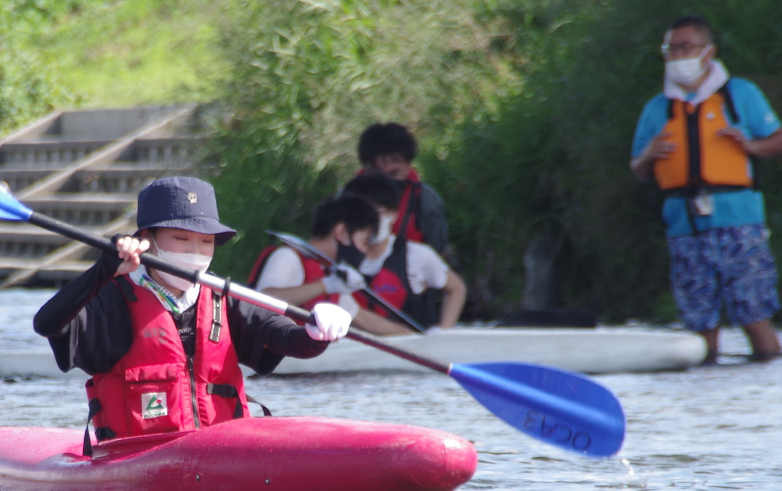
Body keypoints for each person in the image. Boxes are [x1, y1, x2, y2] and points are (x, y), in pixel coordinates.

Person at [33, 177, 351, 447]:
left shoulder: (225, 299)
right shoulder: (113, 300)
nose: (196, 253)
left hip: (222, 459)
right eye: (181, 239)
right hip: (138, 472)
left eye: (206, 242)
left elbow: (284, 337)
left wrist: (316, 333)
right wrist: (102, 271)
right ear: (146, 240)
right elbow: (47, 324)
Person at [630, 15, 782, 363]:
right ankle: (705, 401)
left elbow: (778, 142)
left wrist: (749, 145)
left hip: (739, 221)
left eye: (686, 47)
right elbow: (638, 169)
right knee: (699, 326)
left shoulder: (740, 94)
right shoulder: (658, 109)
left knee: (753, 313)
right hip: (685, 227)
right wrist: (648, 155)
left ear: (709, 51)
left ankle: (770, 388)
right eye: (671, 48)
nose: (677, 55)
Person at [249, 193, 412, 337]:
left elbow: (363, 320)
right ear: (341, 232)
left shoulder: (329, 274)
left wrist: (420, 338)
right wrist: (325, 286)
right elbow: (265, 301)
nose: (364, 251)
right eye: (364, 241)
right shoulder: (288, 256)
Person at [341, 173, 467, 330]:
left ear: (393, 214)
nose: (370, 222)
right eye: (362, 214)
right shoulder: (336, 258)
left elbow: (456, 289)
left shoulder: (417, 256)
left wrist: (443, 331)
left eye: (378, 213)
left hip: (410, 350)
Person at [357, 122, 452, 262]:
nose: (386, 181)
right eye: (377, 174)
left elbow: (438, 256)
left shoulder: (426, 201)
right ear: (365, 168)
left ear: (408, 165)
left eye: (394, 173)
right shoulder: (345, 199)